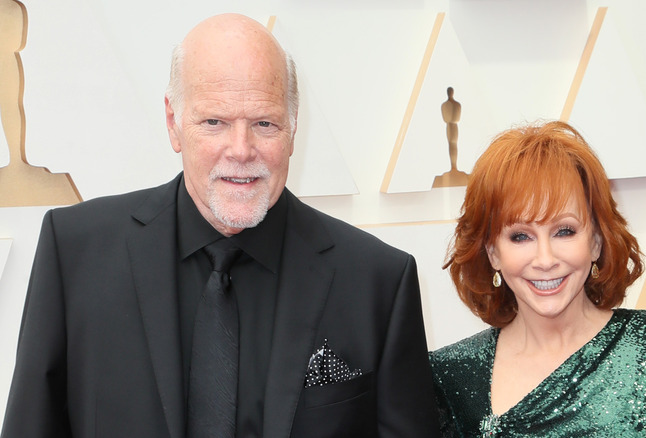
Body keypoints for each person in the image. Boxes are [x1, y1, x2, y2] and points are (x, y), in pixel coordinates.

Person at [1, 13, 439, 438]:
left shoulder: (378, 280)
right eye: (215, 122)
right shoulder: (75, 252)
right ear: (173, 123)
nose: (241, 150)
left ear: (294, 126)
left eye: (264, 124)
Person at [429, 121, 646, 437]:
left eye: (565, 231)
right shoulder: (453, 376)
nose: (545, 260)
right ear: (492, 253)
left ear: (596, 241)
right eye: (520, 236)